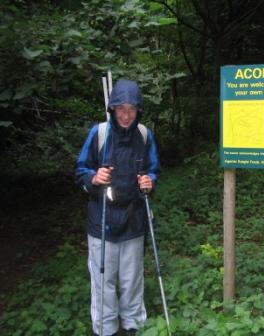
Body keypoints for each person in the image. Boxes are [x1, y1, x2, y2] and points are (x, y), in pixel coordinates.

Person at [75, 79, 160, 336]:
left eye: (131, 109)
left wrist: (150, 181)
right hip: (102, 218)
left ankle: (133, 325)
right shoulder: (99, 133)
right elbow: (80, 170)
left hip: (134, 217)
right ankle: (106, 329)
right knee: (103, 280)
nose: (126, 115)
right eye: (120, 108)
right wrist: (93, 178)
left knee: (131, 279)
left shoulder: (144, 135)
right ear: (112, 109)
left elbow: (153, 170)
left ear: (139, 110)